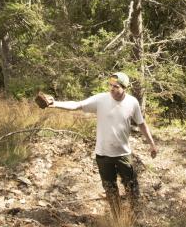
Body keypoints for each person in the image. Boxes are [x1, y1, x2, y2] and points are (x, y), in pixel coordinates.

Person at [40, 71, 157, 214]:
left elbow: (141, 124)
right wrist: (54, 104)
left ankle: (135, 217)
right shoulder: (101, 99)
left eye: (116, 86)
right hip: (103, 155)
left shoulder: (132, 102)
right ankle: (117, 219)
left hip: (123, 154)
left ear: (124, 88)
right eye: (110, 85)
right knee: (110, 189)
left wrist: (151, 144)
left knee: (132, 187)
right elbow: (77, 105)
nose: (112, 89)